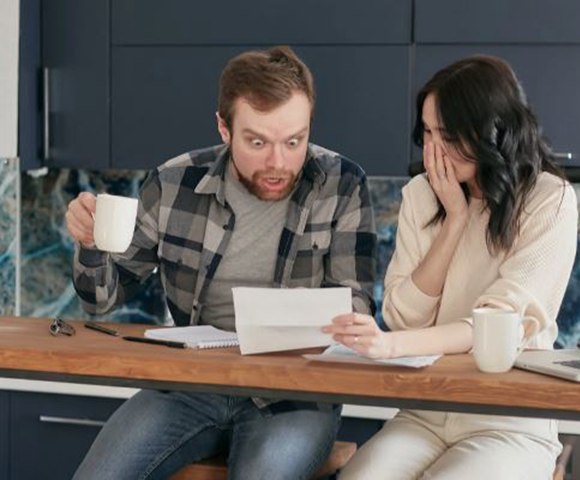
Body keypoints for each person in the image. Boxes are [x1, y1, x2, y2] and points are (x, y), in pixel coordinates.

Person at [65, 45, 376, 480]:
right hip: (191, 385)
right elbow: (101, 302)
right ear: (224, 129)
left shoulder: (341, 184)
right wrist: (91, 244)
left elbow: (357, 306)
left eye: (294, 141)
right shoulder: (174, 183)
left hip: (295, 394)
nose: (278, 162)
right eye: (257, 142)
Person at [323, 55, 578, 479]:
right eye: (427, 131)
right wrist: (454, 220)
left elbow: (498, 325)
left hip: (508, 420)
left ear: (493, 129)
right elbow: (403, 316)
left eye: (449, 133)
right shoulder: (422, 196)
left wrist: (388, 347)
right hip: (426, 411)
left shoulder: (550, 201)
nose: (433, 149)